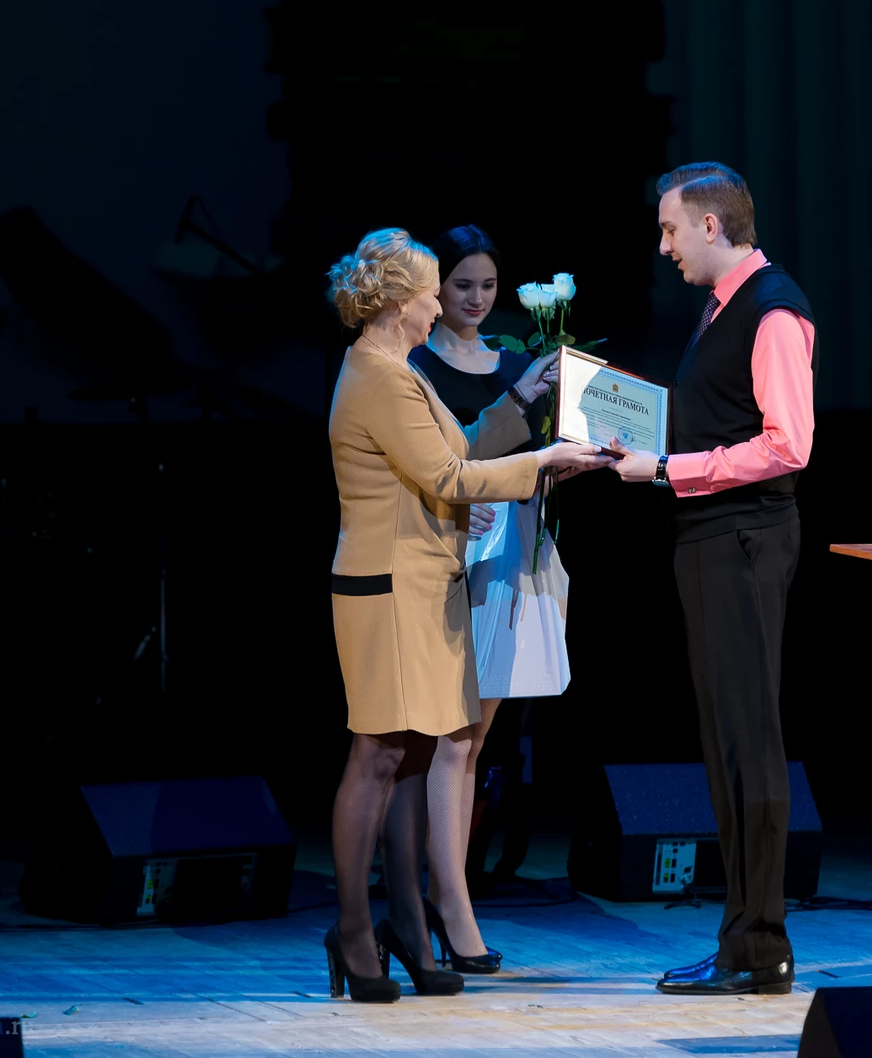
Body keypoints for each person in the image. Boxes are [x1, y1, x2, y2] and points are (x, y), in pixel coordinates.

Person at [321, 228, 610, 1002]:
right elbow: (448, 477)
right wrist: (542, 461)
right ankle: (353, 933)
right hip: (387, 589)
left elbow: (463, 451)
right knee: (377, 755)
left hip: (425, 584)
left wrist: (530, 425)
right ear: (400, 302)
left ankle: (410, 931)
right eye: (429, 292)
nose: (437, 305)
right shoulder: (381, 376)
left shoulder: (398, 372)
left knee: (416, 757)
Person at [610, 163, 817, 996]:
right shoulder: (726, 306)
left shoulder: (771, 309)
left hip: (743, 538)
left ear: (708, 225)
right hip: (712, 537)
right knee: (726, 742)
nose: (663, 247)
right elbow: (717, 414)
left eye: (669, 229)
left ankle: (758, 946)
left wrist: (667, 468)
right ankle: (744, 940)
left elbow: (786, 446)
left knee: (747, 742)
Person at [408, 224, 570, 974]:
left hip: (507, 554)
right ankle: (444, 903)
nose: (475, 298)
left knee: (473, 739)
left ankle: (448, 895)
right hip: (443, 557)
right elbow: (426, 464)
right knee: (443, 738)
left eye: (488, 286)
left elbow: (534, 463)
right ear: (435, 288)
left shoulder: (516, 363)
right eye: (462, 285)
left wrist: (565, 463)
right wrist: (452, 500)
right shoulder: (415, 366)